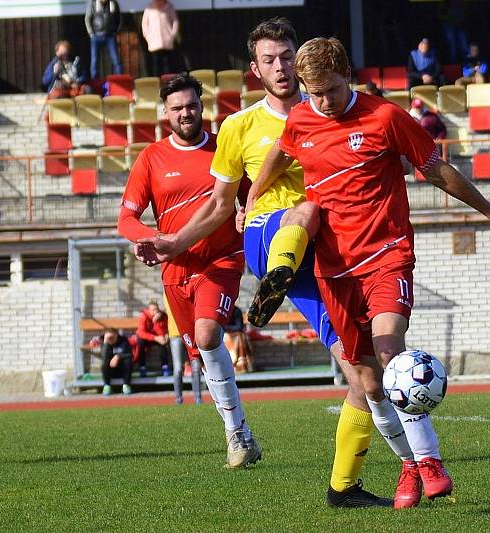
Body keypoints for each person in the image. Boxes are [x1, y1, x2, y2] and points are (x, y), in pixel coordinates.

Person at [244, 37, 490, 508]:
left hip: (386, 254)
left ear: (347, 77)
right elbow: (281, 151)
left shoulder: (386, 117)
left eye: (331, 91)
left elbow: (436, 170)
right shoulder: (301, 118)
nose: (323, 102)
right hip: (334, 270)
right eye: (314, 93)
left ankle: (431, 462)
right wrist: (254, 196)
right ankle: (409, 465)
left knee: (390, 352)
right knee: (369, 382)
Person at [133, 19, 391, 508]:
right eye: (270, 59)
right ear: (254, 70)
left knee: (366, 374)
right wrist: (174, 242)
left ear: (303, 56)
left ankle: (358, 483)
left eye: (288, 55)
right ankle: (419, 463)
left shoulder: (340, 108)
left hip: (347, 248)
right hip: (283, 246)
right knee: (302, 214)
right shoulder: (239, 126)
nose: (282, 66)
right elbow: (218, 205)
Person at [117, 73, 260, 469]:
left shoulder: (224, 148)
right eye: (177, 107)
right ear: (165, 113)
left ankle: (235, 435)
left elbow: (251, 193)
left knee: (207, 333)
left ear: (203, 107)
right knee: (200, 352)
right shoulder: (151, 158)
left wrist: (248, 211)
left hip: (222, 260)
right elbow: (126, 218)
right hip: (175, 270)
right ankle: (241, 432)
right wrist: (149, 239)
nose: (186, 113)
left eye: (191, 105)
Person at [166, 295, 203, 405]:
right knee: (178, 368)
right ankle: (178, 398)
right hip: (175, 334)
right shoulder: (169, 288)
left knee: (196, 366)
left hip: (191, 332)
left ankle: (198, 399)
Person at [85, 0, 123, 80]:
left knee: (116, 60)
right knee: (94, 61)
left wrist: (115, 32)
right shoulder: (93, 4)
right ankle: (95, 80)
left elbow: (119, 18)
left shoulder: (114, 3)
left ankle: (119, 79)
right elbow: (87, 19)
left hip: (110, 36)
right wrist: (91, 33)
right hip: (96, 36)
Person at [141, 0, 179, 77]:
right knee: (156, 66)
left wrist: (172, 35)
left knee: (167, 65)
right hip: (154, 43)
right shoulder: (149, 8)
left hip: (167, 42)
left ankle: (168, 85)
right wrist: (148, 37)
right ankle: (157, 85)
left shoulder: (169, 7)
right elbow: (144, 25)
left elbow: (175, 21)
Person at [135, 300, 171, 378]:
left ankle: (165, 367)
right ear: (148, 310)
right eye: (153, 310)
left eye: (157, 310)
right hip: (146, 338)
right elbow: (141, 333)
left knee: (163, 344)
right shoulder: (143, 316)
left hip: (156, 337)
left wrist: (164, 336)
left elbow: (162, 330)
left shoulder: (162, 316)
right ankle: (142, 368)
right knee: (141, 343)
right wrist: (155, 338)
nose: (155, 312)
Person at [100, 328, 133, 395]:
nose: (111, 339)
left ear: (117, 335)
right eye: (109, 337)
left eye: (113, 337)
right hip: (110, 371)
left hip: (123, 369)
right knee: (104, 363)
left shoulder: (123, 340)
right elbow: (104, 357)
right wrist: (105, 343)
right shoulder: (104, 341)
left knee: (128, 360)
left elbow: (130, 354)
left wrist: (117, 356)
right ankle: (107, 385)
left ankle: (126, 385)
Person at [223, 305, 251, 373]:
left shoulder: (236, 310)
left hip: (235, 335)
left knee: (239, 336)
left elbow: (239, 327)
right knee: (226, 336)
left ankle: (240, 364)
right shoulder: (221, 311)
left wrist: (225, 328)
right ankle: (226, 365)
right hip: (225, 335)